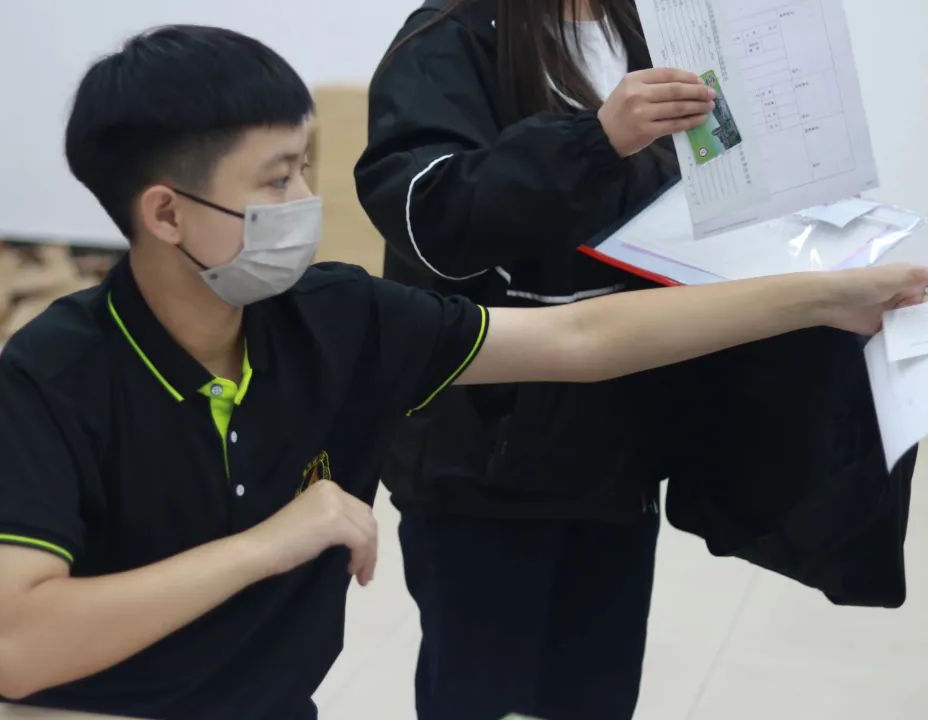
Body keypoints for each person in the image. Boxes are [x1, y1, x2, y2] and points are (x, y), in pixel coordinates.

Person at [0, 23, 927, 720]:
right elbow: (15, 648)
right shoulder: (59, 372)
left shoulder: (336, 319)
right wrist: (277, 540)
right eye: (277, 180)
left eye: (307, 166)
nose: (306, 200)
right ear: (166, 214)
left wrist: (829, 296)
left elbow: (581, 340)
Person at [354, 1, 895, 718]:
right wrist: (597, 138)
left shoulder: (655, 26)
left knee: (596, 694)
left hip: (621, 452)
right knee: (481, 693)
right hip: (483, 466)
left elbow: (718, 194)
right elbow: (434, 220)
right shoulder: (451, 37)